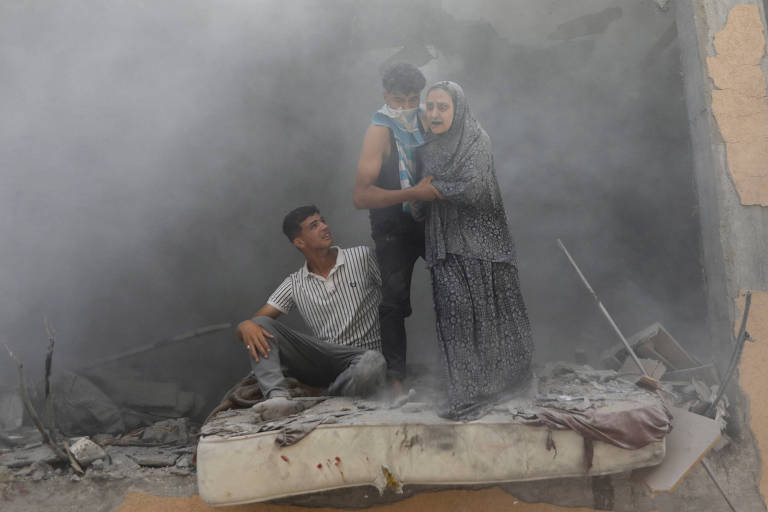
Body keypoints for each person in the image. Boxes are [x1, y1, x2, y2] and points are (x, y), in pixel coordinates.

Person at [416, 81, 534, 420]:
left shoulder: (477, 140)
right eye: (431, 107)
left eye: (443, 107)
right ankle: (467, 394)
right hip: (446, 243)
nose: (435, 114)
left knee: (491, 317)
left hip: (484, 244)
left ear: (458, 109)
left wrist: (431, 191)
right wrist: (417, 201)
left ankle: (507, 384)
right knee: (456, 317)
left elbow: (474, 188)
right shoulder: (429, 147)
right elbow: (419, 193)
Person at [236, 205, 387, 415]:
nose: (325, 227)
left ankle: (324, 398)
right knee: (258, 325)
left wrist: (397, 370)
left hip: (363, 357)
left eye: (323, 221)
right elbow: (255, 323)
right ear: (299, 242)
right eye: (314, 225)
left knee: (373, 362)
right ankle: (277, 398)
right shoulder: (294, 283)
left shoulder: (362, 257)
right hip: (326, 358)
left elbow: (395, 302)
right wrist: (244, 325)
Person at [353, 62, 438, 391]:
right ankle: (396, 381)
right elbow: (361, 197)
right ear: (386, 96)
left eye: (412, 100)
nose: (405, 108)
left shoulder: (428, 119)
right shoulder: (378, 132)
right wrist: (413, 193)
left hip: (429, 220)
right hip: (392, 225)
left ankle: (463, 365)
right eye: (398, 100)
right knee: (393, 301)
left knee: (453, 286)